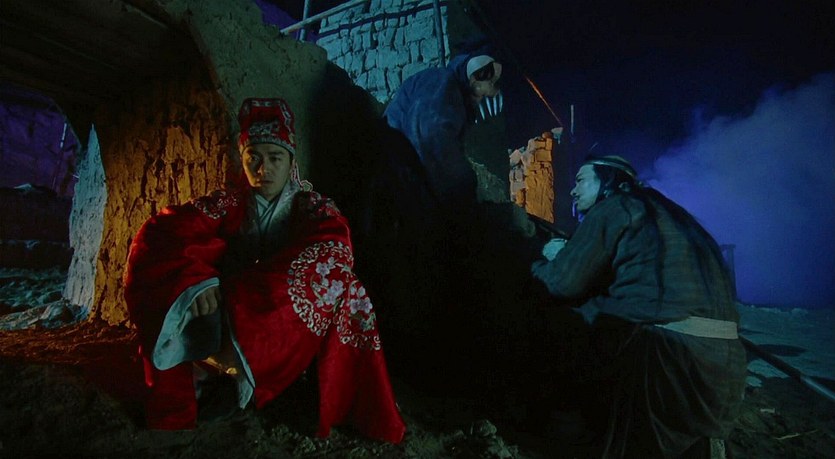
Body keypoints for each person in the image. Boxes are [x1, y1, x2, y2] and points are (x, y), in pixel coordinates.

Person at [123, 97, 406, 443]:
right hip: (225, 322)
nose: (264, 169)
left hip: (284, 328)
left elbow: (334, 248)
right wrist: (196, 282)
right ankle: (225, 381)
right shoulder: (228, 205)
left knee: (344, 285)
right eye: (253, 158)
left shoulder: (313, 208)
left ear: (291, 162)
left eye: (275, 158)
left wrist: (249, 295)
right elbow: (161, 234)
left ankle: (320, 393)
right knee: (177, 284)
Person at [531, 155, 746, 457]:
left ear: (608, 180)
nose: (572, 190)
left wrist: (541, 260)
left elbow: (562, 283)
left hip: (668, 357)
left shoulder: (614, 208)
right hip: (725, 365)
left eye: (581, 180)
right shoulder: (674, 216)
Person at [383, 43, 502, 212]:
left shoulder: (456, 97)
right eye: (486, 77)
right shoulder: (442, 83)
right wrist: (463, 188)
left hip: (400, 177)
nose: (483, 95)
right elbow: (432, 138)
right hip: (394, 177)